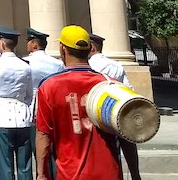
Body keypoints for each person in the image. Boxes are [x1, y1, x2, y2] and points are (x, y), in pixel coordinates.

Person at [35, 25, 121, 180]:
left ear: (62, 49)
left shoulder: (49, 87)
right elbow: (126, 132)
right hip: (108, 172)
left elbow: (43, 134)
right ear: (90, 49)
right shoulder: (111, 85)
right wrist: (135, 173)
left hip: (69, 173)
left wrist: (41, 174)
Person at [0, 26, 33, 180]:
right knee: (24, 165)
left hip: (2, 115)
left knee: (5, 164)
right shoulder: (25, 65)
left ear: (2, 44)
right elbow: (29, 95)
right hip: (22, 115)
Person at [88, 34, 141, 180]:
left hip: (97, 114)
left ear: (91, 47)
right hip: (117, 112)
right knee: (127, 141)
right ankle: (135, 174)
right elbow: (128, 88)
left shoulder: (91, 66)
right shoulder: (116, 65)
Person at [24, 28, 62, 179]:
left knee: (39, 151)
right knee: (54, 152)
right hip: (54, 109)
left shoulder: (26, 61)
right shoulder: (57, 64)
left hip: (34, 109)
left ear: (34, 44)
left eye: (28, 42)